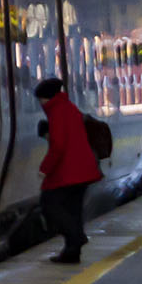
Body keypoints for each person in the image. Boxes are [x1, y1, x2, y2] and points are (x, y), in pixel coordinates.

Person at [33, 76, 102, 264]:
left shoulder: (57, 112)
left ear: (47, 98)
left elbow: (58, 146)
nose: (40, 103)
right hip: (83, 168)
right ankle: (72, 253)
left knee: (49, 204)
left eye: (41, 99)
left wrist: (44, 169)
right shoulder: (68, 107)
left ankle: (76, 236)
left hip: (70, 171)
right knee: (73, 210)